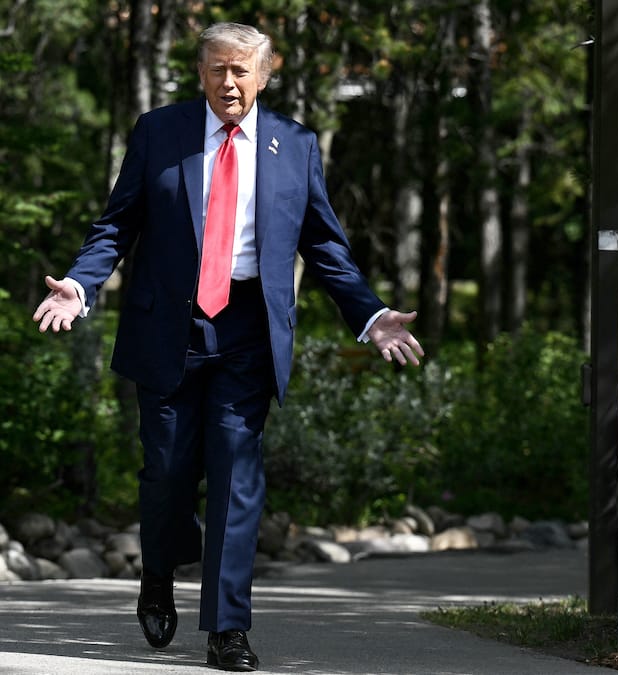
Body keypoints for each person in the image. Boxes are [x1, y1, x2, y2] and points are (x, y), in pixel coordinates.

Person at [32, 22, 423, 672]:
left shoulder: (295, 144)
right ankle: (159, 570)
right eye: (217, 68)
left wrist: (371, 314)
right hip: (170, 327)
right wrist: (80, 283)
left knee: (239, 478)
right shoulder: (161, 132)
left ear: (264, 76)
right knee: (167, 474)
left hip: (248, 330)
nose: (229, 82)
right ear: (201, 73)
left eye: (242, 70)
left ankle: (227, 628)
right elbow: (118, 223)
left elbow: (324, 245)